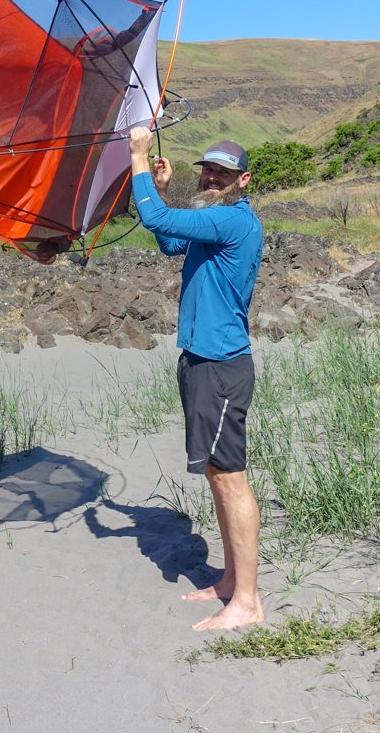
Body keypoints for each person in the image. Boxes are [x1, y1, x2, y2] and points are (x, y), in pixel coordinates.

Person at [127, 127, 265, 631]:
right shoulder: (212, 220)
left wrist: (138, 156)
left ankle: (248, 601)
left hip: (223, 367)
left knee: (230, 477)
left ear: (242, 180)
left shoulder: (233, 220)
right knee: (215, 472)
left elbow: (155, 218)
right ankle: (230, 582)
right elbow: (167, 240)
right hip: (200, 362)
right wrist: (159, 187)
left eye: (222, 173)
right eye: (207, 169)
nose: (210, 177)